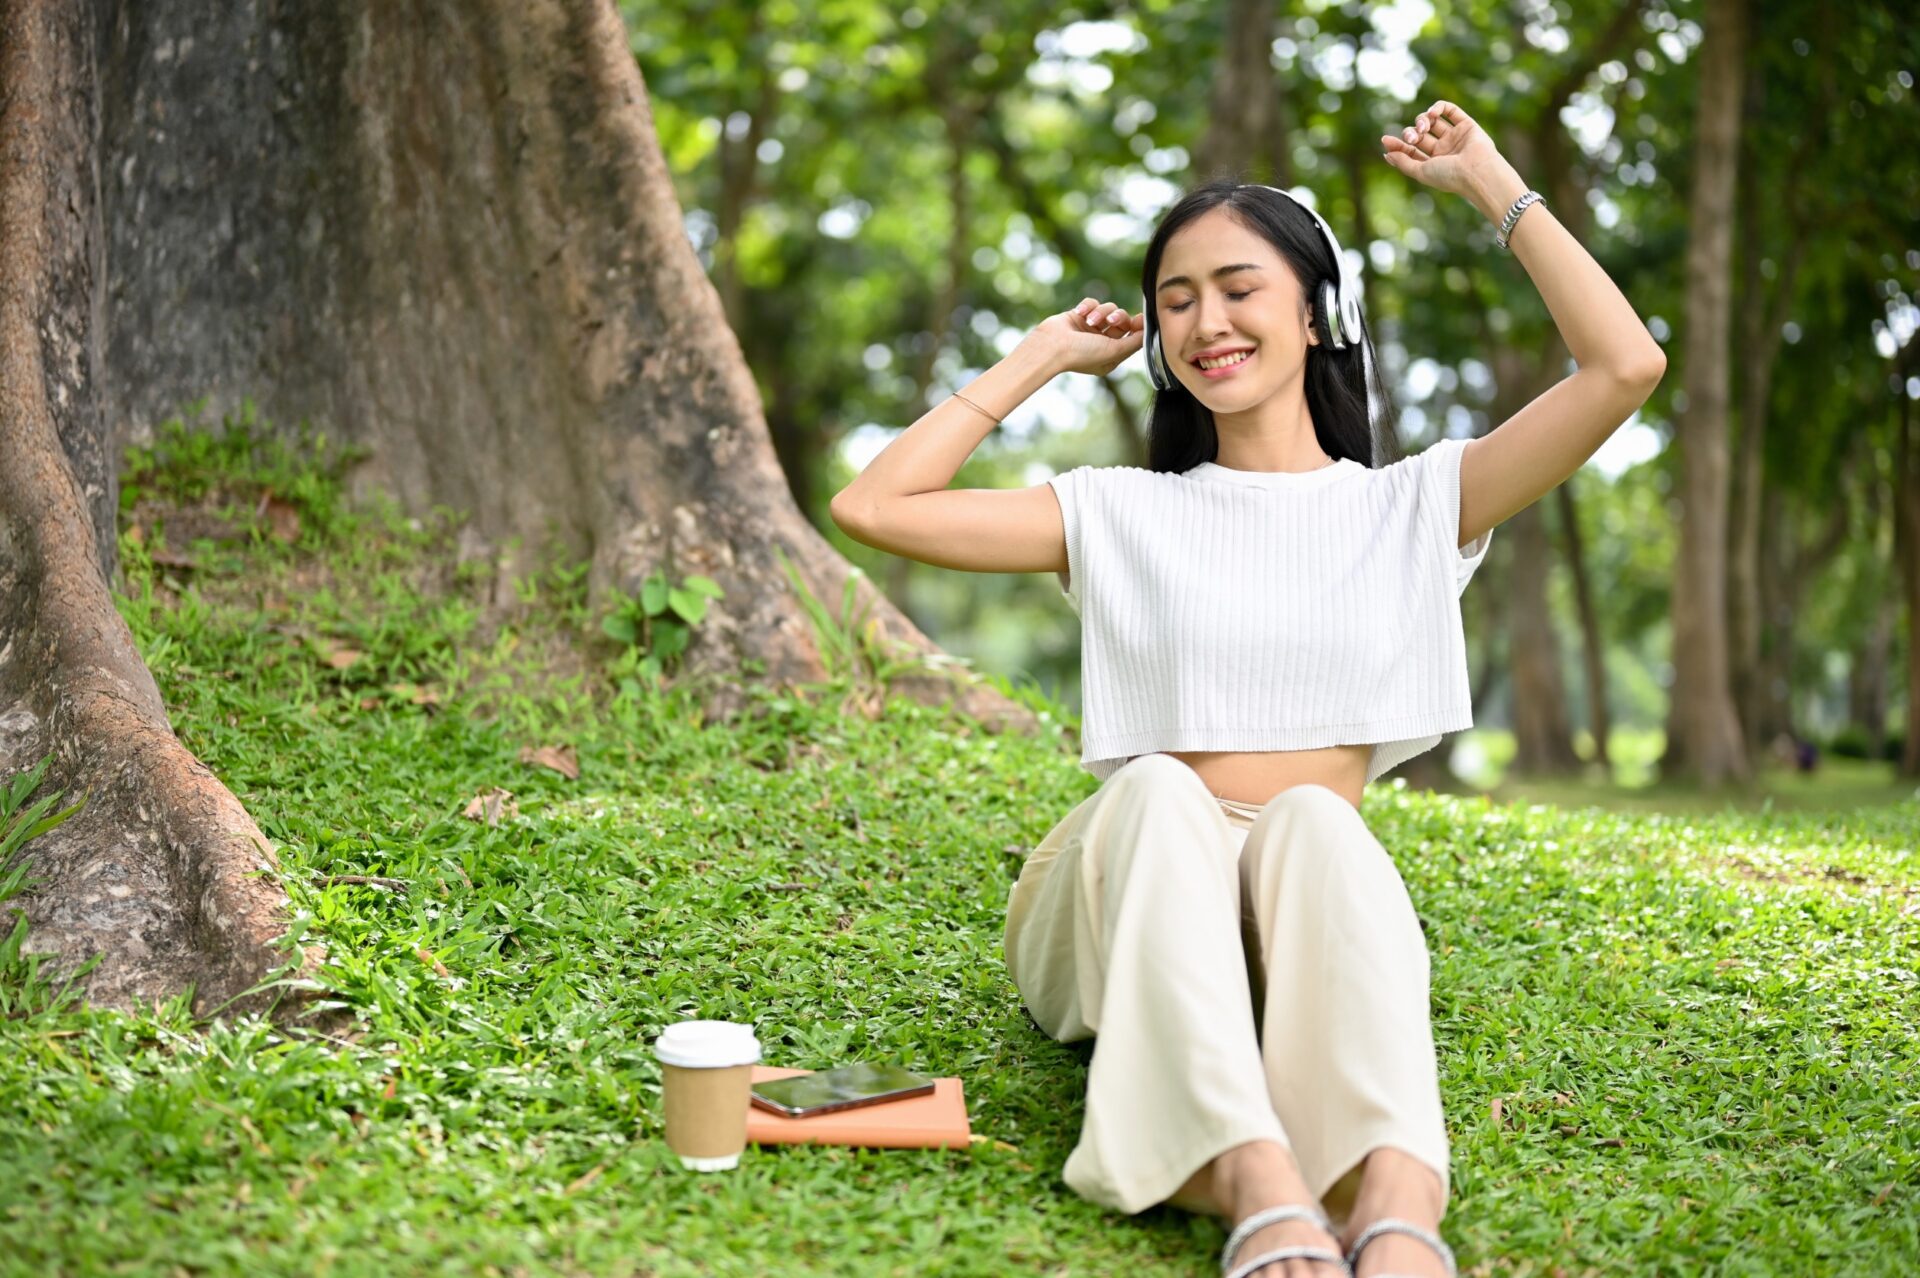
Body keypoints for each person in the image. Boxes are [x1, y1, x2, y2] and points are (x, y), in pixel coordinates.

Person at [830, 98, 1666, 1278]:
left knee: (1321, 821)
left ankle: (1395, 1199)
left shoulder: (1415, 507)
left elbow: (1625, 364)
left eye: (1237, 289)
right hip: (1121, 877)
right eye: (1177, 301)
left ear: (1316, 315)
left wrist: (1491, 184)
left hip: (1289, 903)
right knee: (1166, 789)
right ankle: (1251, 1179)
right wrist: (1041, 357)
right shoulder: (1122, 510)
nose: (1205, 322)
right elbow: (875, 509)